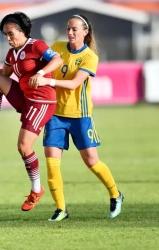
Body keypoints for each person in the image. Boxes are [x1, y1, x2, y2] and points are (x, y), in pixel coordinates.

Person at [0, 12, 63, 212]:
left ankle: (36, 190)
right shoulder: (11, 54)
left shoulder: (36, 45)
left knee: (24, 147)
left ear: (22, 31)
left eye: (10, 33)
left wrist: (41, 73)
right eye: (5, 35)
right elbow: (2, 75)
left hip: (42, 101)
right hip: (26, 99)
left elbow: (57, 60)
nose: (8, 38)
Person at [31, 14, 124, 221]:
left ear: (85, 31)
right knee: (52, 163)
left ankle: (116, 195)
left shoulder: (90, 57)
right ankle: (61, 209)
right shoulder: (57, 47)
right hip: (55, 115)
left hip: (80, 116)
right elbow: (40, 67)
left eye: (75, 29)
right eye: (68, 29)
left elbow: (73, 84)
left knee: (91, 161)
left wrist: (48, 83)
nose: (70, 33)